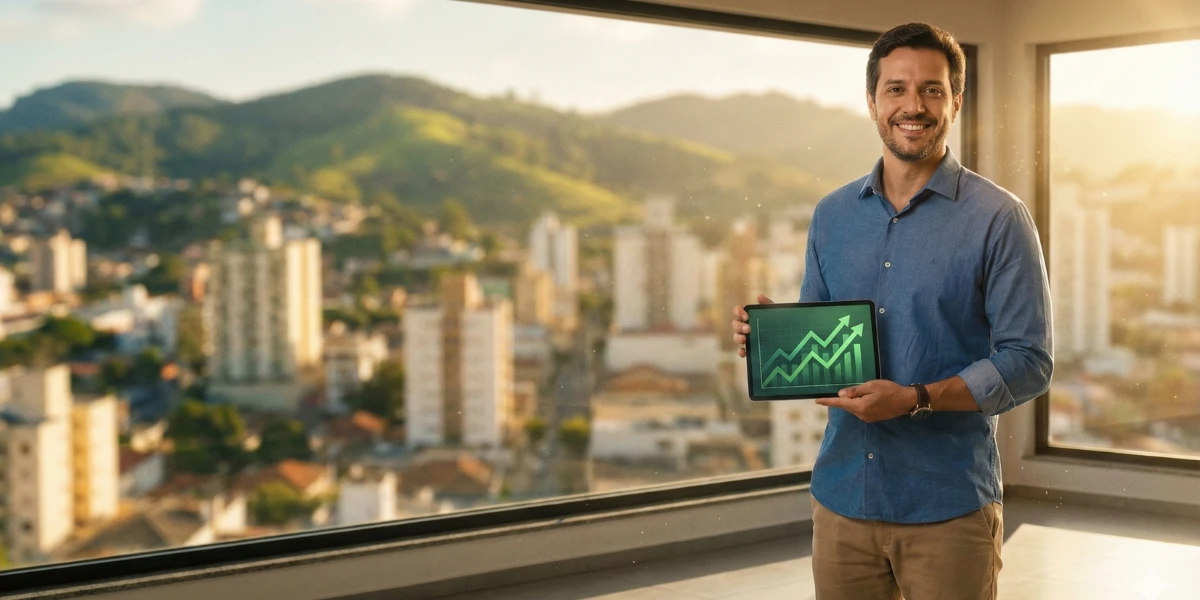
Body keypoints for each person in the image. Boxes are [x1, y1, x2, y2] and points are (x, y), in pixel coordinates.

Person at [730, 22, 1053, 600]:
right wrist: (775, 336)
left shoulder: (999, 219)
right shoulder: (832, 216)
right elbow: (827, 343)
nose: (913, 105)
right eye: (896, 88)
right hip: (842, 502)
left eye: (932, 90)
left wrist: (915, 399)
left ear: (956, 101)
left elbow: (1029, 361)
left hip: (947, 509)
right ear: (873, 102)